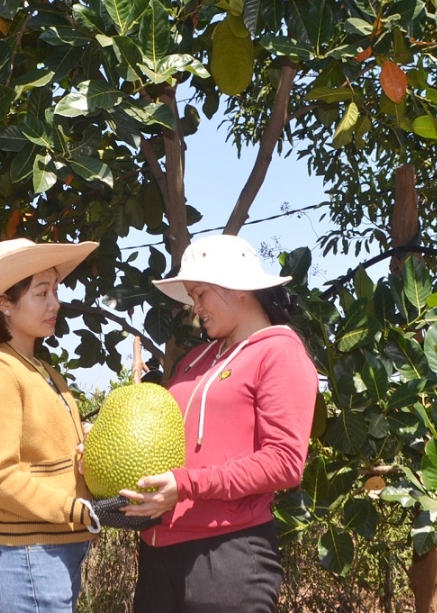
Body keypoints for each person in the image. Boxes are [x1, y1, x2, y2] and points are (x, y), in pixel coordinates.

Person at [120, 234, 319, 613]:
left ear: (237, 288)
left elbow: (284, 462)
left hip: (228, 556)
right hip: (159, 555)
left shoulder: (279, 352)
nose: (195, 308)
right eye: (192, 297)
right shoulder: (194, 359)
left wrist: (187, 484)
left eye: (201, 294)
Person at [0, 237, 101, 613]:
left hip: (48, 554)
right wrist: (74, 508)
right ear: (4, 304)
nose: (55, 303)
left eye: (55, 291)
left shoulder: (42, 371)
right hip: (26, 556)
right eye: (41, 293)